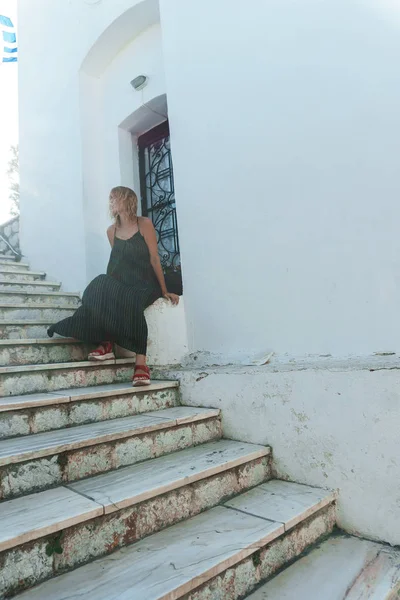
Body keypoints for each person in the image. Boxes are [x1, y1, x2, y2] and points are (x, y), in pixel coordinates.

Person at [47, 186, 179, 386]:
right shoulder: (111, 231)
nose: (110, 202)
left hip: (144, 283)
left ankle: (141, 363)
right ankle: (106, 341)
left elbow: (154, 258)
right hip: (122, 281)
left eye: (113, 198)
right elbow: (118, 263)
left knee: (130, 299)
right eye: (109, 199)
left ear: (127, 200)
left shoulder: (144, 224)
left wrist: (164, 290)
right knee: (98, 285)